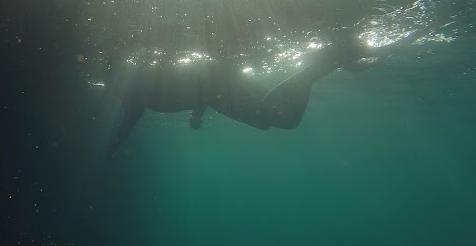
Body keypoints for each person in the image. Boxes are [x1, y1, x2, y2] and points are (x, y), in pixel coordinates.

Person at [104, 25, 437, 158]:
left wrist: (114, 145)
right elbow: (181, 86)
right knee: (281, 120)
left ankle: (330, 57)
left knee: (273, 119)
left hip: (219, 87)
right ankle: (332, 59)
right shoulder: (137, 82)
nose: (107, 83)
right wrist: (197, 113)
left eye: (107, 75)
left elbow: (134, 114)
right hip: (216, 89)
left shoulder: (132, 87)